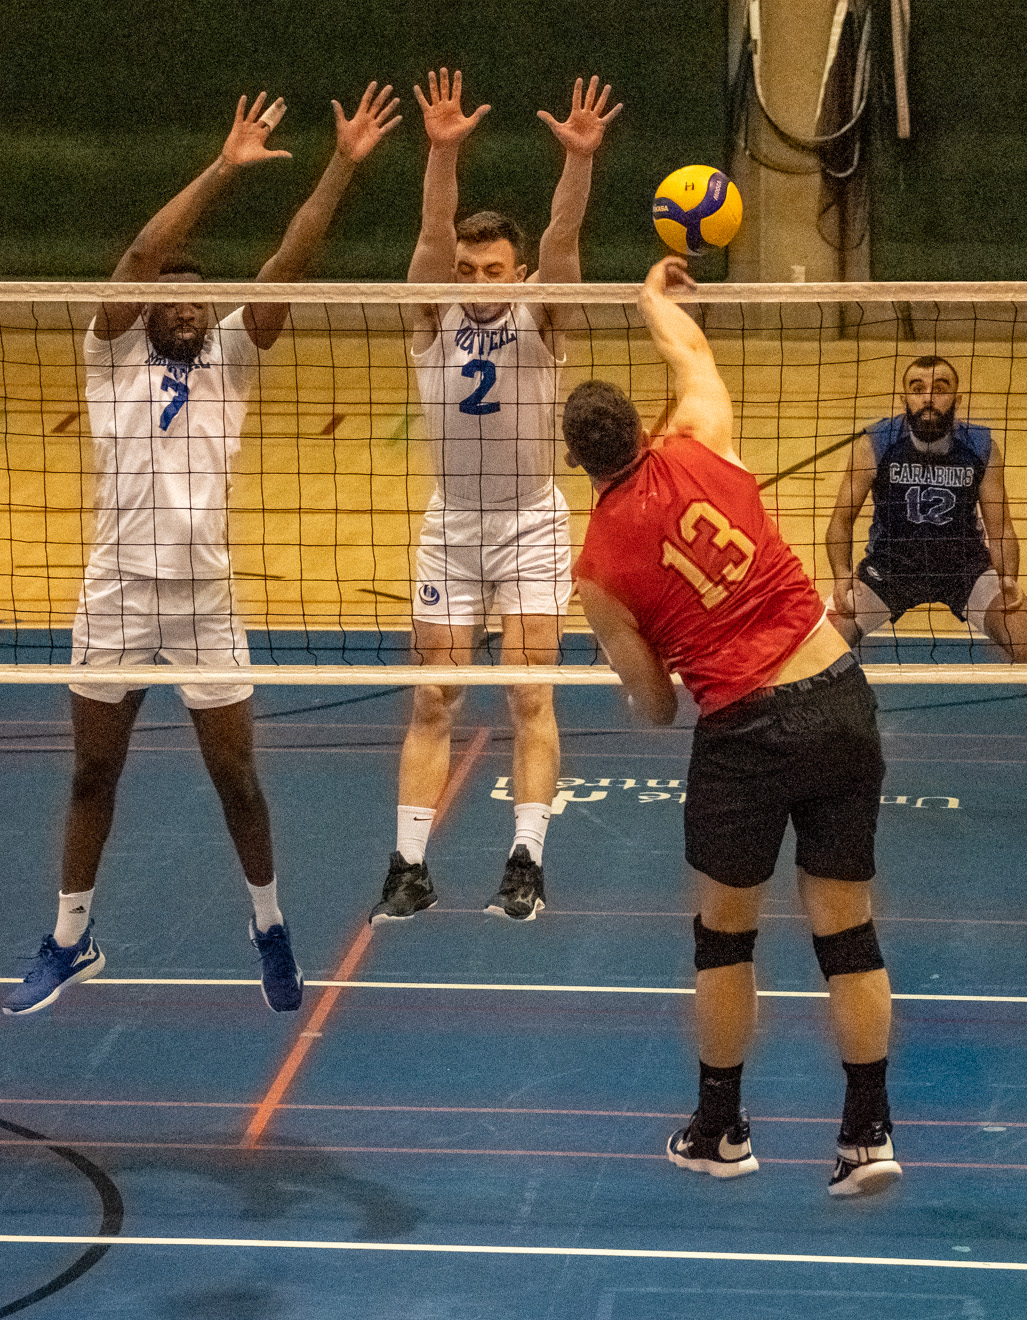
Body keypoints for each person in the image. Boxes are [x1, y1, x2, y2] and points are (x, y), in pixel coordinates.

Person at [4, 86, 402, 1018]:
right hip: (114, 593)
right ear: (146, 308)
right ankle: (71, 939)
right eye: (170, 295)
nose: (185, 303)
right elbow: (142, 254)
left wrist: (342, 164)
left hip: (204, 600)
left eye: (198, 295)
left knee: (236, 778)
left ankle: (268, 926)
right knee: (92, 771)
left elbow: (290, 257)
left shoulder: (231, 355)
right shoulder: (108, 354)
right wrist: (224, 168)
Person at [565, 255, 901, 1198]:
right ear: (643, 426)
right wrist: (647, 298)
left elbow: (658, 703)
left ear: (580, 461)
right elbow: (693, 353)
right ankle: (867, 1133)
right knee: (848, 931)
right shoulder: (702, 436)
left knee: (726, 934)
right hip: (836, 688)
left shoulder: (596, 569)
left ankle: (722, 1128)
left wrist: (646, 649)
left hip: (747, 731)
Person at [371, 69, 621, 926]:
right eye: (469, 265)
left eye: (495, 267)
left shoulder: (540, 320)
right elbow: (431, 233)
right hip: (452, 527)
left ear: (517, 275)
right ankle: (408, 866)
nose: (479, 276)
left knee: (528, 694)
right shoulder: (431, 319)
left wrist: (578, 164)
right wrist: (441, 152)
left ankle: (526, 862)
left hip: (530, 526)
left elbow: (562, 237)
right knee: (434, 696)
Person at [825, 355, 1027, 814]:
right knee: (816, 649)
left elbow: (1001, 528)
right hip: (891, 568)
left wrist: (1008, 577)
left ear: (956, 395)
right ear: (905, 397)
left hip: (965, 568)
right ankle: (795, 764)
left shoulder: (979, 445)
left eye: (940, 387)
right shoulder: (876, 443)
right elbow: (840, 520)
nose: (928, 396)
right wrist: (841, 577)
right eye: (917, 387)